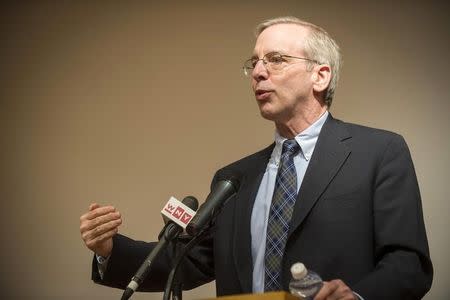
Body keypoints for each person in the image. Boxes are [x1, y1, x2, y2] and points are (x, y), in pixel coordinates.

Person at [80, 16, 433, 300]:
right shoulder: (234, 179)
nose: (259, 72)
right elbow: (184, 262)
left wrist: (357, 296)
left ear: (320, 75)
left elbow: (408, 265)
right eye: (254, 63)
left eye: (276, 59)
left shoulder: (378, 152)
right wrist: (109, 249)